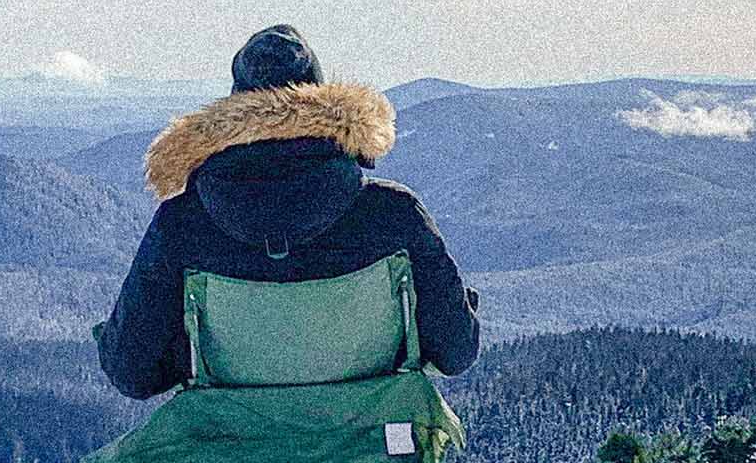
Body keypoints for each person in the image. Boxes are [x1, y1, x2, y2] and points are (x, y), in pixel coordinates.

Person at [96, 21, 480, 402]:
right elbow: (456, 352)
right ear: (327, 105)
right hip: (369, 447)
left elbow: (132, 374)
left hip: (232, 446)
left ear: (232, 111)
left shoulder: (181, 225)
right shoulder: (395, 215)